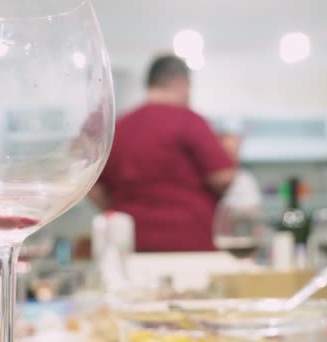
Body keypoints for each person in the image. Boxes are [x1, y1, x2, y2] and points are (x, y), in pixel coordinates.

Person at [89, 55, 236, 252]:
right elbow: (223, 177)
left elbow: (93, 188)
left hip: (132, 244)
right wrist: (232, 152)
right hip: (191, 241)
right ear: (181, 83)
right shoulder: (189, 121)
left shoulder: (118, 128)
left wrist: (120, 211)